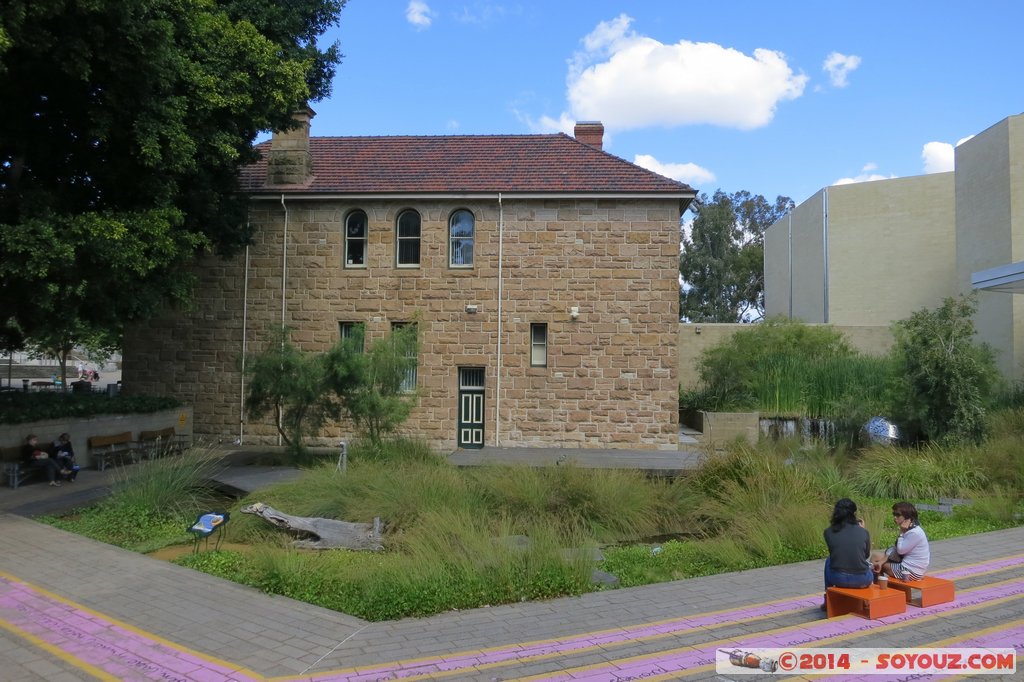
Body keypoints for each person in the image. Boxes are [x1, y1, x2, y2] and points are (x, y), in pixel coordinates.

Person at [822, 498, 873, 610]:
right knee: (868, 565)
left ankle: (827, 598)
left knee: (829, 560)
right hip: (862, 580)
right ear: (854, 514)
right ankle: (866, 602)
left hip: (838, 579)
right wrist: (862, 530)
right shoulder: (863, 532)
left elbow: (836, 554)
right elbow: (866, 555)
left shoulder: (828, 532)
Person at [878, 501, 930, 581]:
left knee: (879, 565)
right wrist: (885, 557)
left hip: (911, 571)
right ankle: (883, 587)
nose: (895, 517)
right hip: (908, 565)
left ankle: (881, 588)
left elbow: (900, 551)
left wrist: (901, 533)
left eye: (898, 515)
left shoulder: (914, 532)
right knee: (875, 556)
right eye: (894, 514)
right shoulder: (911, 528)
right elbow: (895, 548)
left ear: (907, 517)